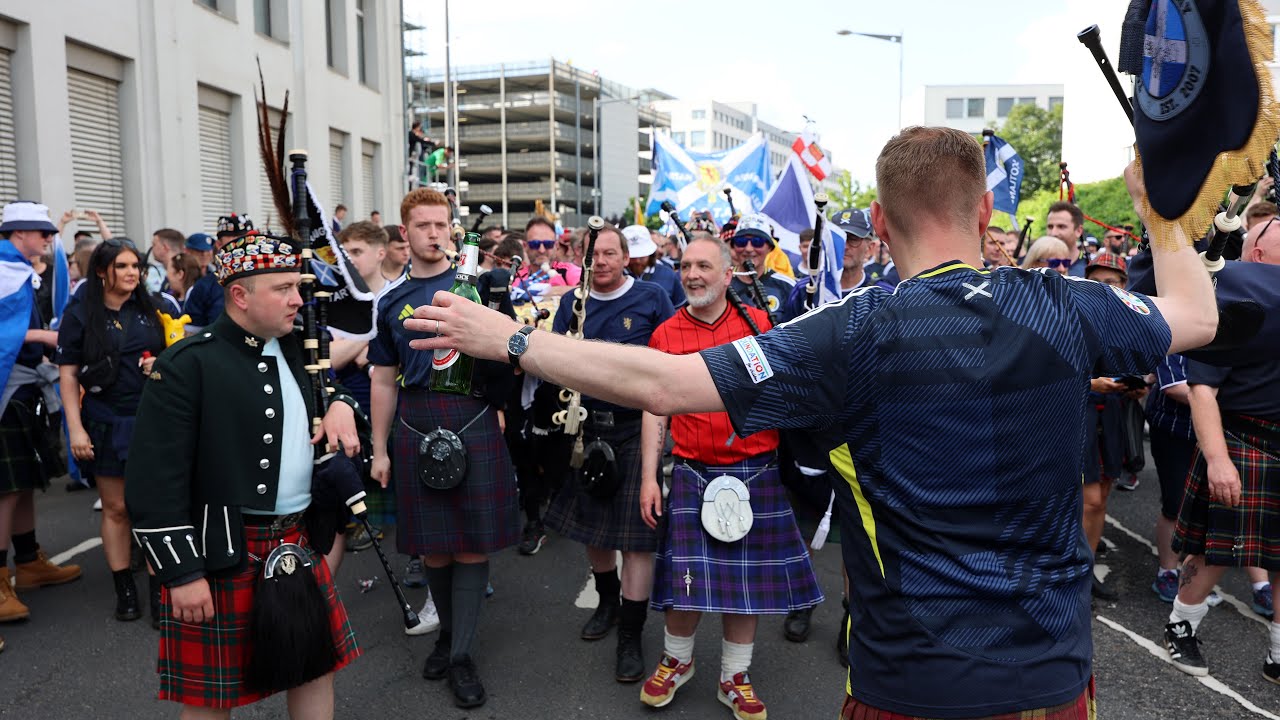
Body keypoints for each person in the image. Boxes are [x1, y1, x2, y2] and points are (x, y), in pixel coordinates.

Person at [405, 127, 1217, 717]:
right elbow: (1196, 316)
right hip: (1051, 679)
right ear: (987, 209)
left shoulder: (852, 329)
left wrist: (511, 340)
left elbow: (666, 382)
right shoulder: (1063, 305)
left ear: (880, 218)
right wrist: (1162, 211)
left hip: (908, 683)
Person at [125, 231, 363, 716]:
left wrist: (340, 404)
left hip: (295, 539)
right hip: (222, 552)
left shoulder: (299, 348)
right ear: (239, 295)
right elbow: (155, 478)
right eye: (283, 289)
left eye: (297, 286)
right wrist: (182, 573)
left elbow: (326, 391)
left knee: (314, 667)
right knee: (213, 696)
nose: (298, 298)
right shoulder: (187, 365)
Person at [637, 236, 823, 718]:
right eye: (685, 266)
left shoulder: (759, 326)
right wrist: (649, 477)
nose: (692, 274)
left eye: (703, 266)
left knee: (746, 587)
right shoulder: (665, 334)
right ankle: (676, 662)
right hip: (693, 471)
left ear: (727, 275)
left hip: (754, 469)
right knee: (686, 578)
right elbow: (653, 409)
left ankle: (734, 676)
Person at [368, 188, 520, 709]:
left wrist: (499, 409)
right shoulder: (390, 301)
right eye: (423, 225)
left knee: (472, 542)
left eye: (442, 225)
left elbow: (510, 353)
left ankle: (460, 654)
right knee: (433, 546)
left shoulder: (474, 290)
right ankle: (447, 636)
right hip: (414, 421)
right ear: (403, 233)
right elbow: (383, 380)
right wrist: (379, 448)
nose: (435, 233)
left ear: (452, 230)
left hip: (472, 414)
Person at [539, 223, 674, 683]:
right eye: (594, 254)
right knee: (595, 533)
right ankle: (609, 602)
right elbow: (552, 362)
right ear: (583, 255)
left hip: (638, 430)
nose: (601, 262)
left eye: (610, 254)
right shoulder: (571, 305)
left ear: (625, 256)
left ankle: (632, 636)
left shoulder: (653, 298)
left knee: (637, 539)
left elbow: (669, 365)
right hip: (585, 433)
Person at [1163, 218, 1280, 680]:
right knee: (1216, 549)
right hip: (1241, 439)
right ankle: (1181, 627)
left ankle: (1278, 652)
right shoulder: (1227, 306)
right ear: (1256, 255)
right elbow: (1202, 389)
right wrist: (1217, 459)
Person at [57, 238, 171, 625]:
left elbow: (178, 354)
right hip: (104, 419)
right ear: (103, 271)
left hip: (152, 418)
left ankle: (160, 593)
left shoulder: (155, 309)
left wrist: (160, 361)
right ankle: (124, 588)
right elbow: (68, 375)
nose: (131, 273)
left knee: (151, 507)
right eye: (122, 266)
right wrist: (75, 429)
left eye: (135, 266)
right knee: (117, 507)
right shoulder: (79, 315)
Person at [0, 202, 83, 647]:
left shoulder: (18, 270)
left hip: (25, 386)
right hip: (5, 389)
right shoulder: (2, 270)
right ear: (20, 234)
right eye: (43, 232)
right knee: (6, 486)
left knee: (25, 481)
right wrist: (39, 337)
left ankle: (28, 561)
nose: (50, 239)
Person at [183, 215, 253, 332]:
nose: (241, 247)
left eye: (246, 240)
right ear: (219, 245)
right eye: (234, 242)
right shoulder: (204, 287)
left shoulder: (268, 278)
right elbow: (192, 334)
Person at [727, 214, 794, 319]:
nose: (748, 249)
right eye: (741, 242)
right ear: (733, 247)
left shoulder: (787, 286)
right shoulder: (721, 283)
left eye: (757, 242)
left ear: (770, 248)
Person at [513, 217, 580, 297]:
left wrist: (553, 291)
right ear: (525, 246)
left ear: (556, 246)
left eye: (548, 244)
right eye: (535, 244)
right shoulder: (517, 276)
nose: (542, 250)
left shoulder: (567, 270)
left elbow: (588, 290)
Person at [623, 224, 685, 307]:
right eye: (633, 257)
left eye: (642, 256)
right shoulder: (615, 276)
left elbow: (679, 308)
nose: (637, 261)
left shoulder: (667, 274)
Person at [1045, 201, 1088, 276]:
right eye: (1050, 227)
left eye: (1061, 226)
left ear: (1078, 231)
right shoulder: (1036, 265)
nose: (1053, 233)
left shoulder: (1089, 268)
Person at [144, 228, 185, 295]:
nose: (152, 249)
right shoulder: (160, 271)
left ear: (165, 247)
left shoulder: (182, 274)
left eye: (154, 245)